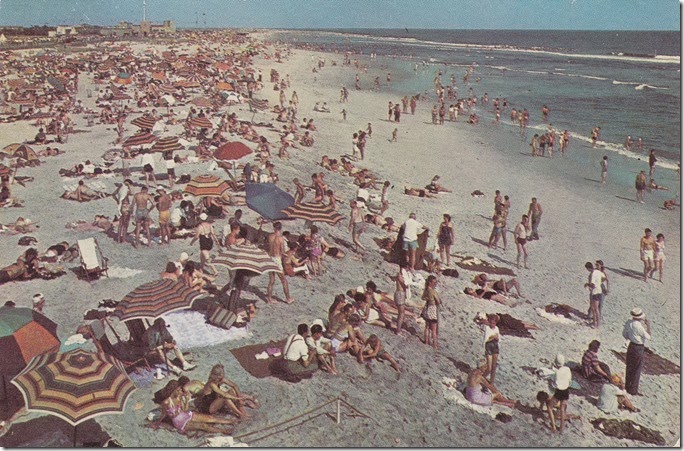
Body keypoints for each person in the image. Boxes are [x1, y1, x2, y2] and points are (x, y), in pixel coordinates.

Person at [158, 380, 235, 434]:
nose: (180, 392)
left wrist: (186, 401)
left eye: (180, 390)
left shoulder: (179, 397)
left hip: (186, 414)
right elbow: (163, 414)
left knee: (210, 418)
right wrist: (157, 423)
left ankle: (231, 421)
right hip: (180, 422)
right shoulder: (166, 402)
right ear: (172, 390)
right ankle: (224, 431)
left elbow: (185, 410)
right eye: (178, 390)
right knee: (203, 425)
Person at [622, 308, 651, 396]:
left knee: (629, 366)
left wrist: (630, 337)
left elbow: (624, 334)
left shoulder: (629, 323)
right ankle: (633, 390)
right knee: (637, 368)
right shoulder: (639, 326)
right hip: (638, 347)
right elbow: (648, 336)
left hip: (631, 346)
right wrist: (648, 326)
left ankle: (627, 386)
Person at [267, 221, 294, 304]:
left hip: (270, 257)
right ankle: (288, 298)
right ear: (280, 228)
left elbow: (269, 247)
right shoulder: (281, 239)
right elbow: (282, 252)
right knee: (284, 280)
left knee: (271, 280)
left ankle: (269, 299)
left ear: (274, 228)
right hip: (277, 259)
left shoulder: (270, 236)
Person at [547, 354, 572, 433]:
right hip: (566, 391)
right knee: (562, 409)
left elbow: (554, 385)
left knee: (549, 407)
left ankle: (553, 426)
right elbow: (569, 380)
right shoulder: (567, 369)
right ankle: (562, 428)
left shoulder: (557, 373)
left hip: (559, 391)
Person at [474, 313, 500, 383]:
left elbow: (498, 339)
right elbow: (476, 321)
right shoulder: (486, 327)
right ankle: (480, 379)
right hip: (488, 346)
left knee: (494, 367)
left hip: (495, 346)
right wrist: (484, 321)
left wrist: (496, 338)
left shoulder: (497, 328)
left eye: (493, 323)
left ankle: (491, 382)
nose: (492, 324)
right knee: (489, 368)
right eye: (491, 323)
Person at [421, 275, 441, 350]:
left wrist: (428, 299)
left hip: (427, 308)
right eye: (434, 282)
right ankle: (435, 345)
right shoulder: (433, 291)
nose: (435, 284)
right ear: (430, 282)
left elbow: (422, 297)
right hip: (432, 309)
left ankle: (426, 341)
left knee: (427, 326)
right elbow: (438, 301)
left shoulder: (426, 290)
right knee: (434, 329)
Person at [583, 262, 603, 328]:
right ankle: (598, 323)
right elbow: (603, 278)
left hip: (595, 292)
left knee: (594, 309)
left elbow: (593, 285)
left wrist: (587, 284)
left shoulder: (593, 274)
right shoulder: (598, 271)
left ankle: (595, 324)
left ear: (588, 268)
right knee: (596, 309)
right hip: (599, 291)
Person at [393, 262, 410, 335]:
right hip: (399, 294)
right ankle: (398, 330)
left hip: (401, 294)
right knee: (401, 313)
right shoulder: (400, 275)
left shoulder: (400, 275)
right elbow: (404, 284)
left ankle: (398, 328)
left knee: (401, 313)